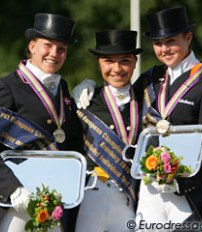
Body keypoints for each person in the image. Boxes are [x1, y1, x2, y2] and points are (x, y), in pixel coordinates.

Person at [72, 5, 202, 230]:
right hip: (147, 193)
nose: (164, 49)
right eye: (158, 43)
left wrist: (183, 183)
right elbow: (119, 96)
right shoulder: (153, 80)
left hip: (186, 196)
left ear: (188, 37)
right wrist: (89, 85)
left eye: (171, 41)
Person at [0, 13, 83, 232]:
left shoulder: (62, 89)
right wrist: (13, 189)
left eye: (62, 49)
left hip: (53, 203)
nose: (54, 53)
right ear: (32, 46)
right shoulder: (8, 86)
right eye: (48, 45)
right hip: (16, 204)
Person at [75, 30, 153, 232]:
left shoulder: (146, 100)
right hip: (90, 195)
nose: (117, 69)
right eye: (108, 61)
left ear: (135, 62)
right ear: (99, 63)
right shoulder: (86, 101)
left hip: (128, 198)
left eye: (125, 61)